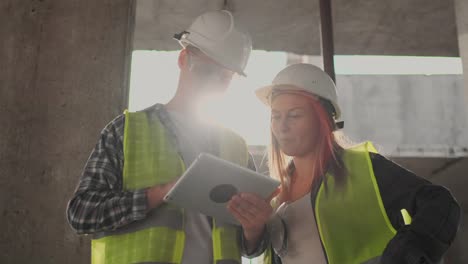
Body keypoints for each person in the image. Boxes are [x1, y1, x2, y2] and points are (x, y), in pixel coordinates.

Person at [67, 10, 255, 264]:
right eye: (205, 71)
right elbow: (81, 213)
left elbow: (251, 245)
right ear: (182, 58)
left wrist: (255, 227)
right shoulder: (126, 131)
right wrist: (156, 194)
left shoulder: (236, 148)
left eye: (224, 77)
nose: (213, 83)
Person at [227, 63, 461, 264]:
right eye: (275, 116)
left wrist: (401, 256)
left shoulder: (362, 170)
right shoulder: (277, 192)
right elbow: (256, 250)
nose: (282, 126)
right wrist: (253, 228)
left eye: (295, 115)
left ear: (324, 120)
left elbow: (441, 204)